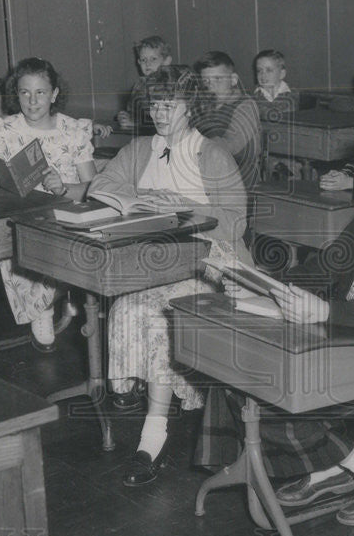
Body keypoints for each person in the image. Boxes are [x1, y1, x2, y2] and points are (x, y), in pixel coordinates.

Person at [196, 113, 354, 525]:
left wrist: (328, 311)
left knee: (275, 388)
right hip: (342, 336)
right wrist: (263, 288)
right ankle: (332, 467)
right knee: (242, 370)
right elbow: (324, 268)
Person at [88, 65, 250, 486]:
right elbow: (100, 187)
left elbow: (236, 222)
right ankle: (138, 393)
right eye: (155, 104)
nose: (160, 113)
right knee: (127, 305)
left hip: (211, 264)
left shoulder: (210, 153)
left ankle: (152, 435)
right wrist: (140, 199)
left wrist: (182, 206)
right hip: (157, 264)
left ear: (191, 106)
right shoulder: (142, 148)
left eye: (170, 104)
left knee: (162, 315)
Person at [0, 58, 96, 350]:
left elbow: (94, 190)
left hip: (64, 218)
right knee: (15, 244)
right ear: (16, 94)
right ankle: (44, 308)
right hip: (19, 218)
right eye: (24, 93)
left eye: (41, 93)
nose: (32, 101)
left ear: (55, 94)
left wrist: (65, 187)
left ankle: (53, 299)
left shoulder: (73, 131)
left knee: (52, 251)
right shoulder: (4, 130)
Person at [195, 51, 262, 189]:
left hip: (239, 177)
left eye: (218, 79)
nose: (211, 85)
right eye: (206, 80)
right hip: (207, 171)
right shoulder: (205, 105)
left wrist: (194, 146)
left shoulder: (246, 105)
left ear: (233, 79)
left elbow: (232, 145)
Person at [118, 35, 174, 132]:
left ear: (166, 61)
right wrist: (124, 117)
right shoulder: (139, 85)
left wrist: (137, 123)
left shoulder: (171, 84)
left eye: (153, 59)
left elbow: (169, 120)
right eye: (144, 60)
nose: (148, 64)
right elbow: (133, 112)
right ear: (138, 62)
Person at [252, 49, 297, 122]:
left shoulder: (291, 96)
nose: (263, 75)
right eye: (259, 70)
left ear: (282, 74)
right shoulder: (255, 96)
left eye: (269, 70)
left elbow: (275, 115)